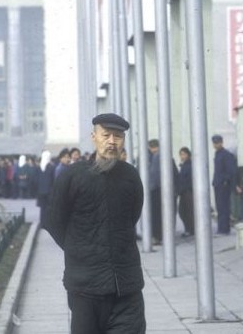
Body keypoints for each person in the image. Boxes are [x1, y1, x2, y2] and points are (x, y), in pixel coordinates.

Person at [46, 113, 146, 334]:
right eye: (106, 135)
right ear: (94, 137)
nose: (112, 141)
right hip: (85, 287)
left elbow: (133, 215)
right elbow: (54, 221)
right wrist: (79, 247)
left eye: (118, 136)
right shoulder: (72, 176)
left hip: (126, 285)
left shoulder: (130, 176)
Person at [211, 134, 238, 235]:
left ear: (221, 142)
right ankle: (221, 228)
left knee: (224, 207)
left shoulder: (226, 155)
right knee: (220, 207)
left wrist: (225, 181)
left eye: (217, 142)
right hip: (218, 184)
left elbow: (230, 170)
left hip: (223, 185)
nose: (216, 144)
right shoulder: (218, 154)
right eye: (214, 143)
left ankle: (224, 229)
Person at [177, 147, 194, 237]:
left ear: (188, 155)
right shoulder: (184, 165)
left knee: (187, 212)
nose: (182, 156)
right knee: (182, 211)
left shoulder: (190, 165)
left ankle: (190, 230)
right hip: (183, 192)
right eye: (181, 154)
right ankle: (189, 229)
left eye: (184, 154)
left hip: (188, 191)